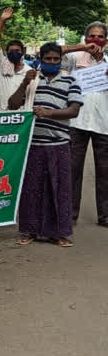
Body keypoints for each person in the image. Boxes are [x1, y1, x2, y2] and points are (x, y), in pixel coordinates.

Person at [9, 42, 85, 247]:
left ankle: (60, 234)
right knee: (31, 189)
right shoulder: (32, 79)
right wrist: (24, 83)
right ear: (40, 60)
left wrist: (49, 113)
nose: (51, 62)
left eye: (55, 59)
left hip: (59, 143)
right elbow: (13, 104)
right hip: (33, 143)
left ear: (60, 60)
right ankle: (28, 231)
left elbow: (74, 110)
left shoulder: (71, 80)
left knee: (60, 190)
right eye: (48, 59)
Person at [61, 22, 108, 225]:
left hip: (104, 124)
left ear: (106, 40)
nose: (95, 40)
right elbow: (53, 51)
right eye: (91, 36)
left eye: (99, 37)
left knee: (105, 173)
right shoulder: (74, 58)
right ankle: (70, 215)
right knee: (72, 170)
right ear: (85, 38)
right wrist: (81, 48)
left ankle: (105, 216)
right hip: (76, 122)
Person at [0, 7, 34, 111]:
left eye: (17, 51)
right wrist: (2, 21)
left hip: (18, 114)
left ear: (22, 53)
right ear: (6, 53)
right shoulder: (1, 63)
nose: (14, 53)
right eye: (11, 51)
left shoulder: (28, 71)